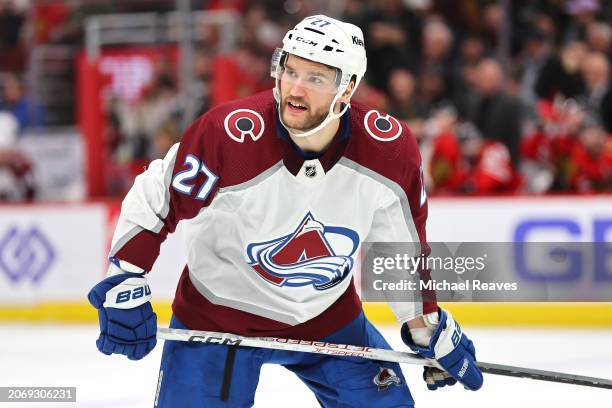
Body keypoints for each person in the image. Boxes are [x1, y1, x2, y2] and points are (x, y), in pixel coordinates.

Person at [87, 15, 483, 407]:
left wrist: (424, 327)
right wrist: (124, 276)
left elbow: (402, 250)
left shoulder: (388, 152)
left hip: (328, 319)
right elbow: (157, 196)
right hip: (220, 319)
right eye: (289, 70)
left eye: (315, 78)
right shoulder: (230, 135)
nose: (294, 88)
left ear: (347, 88)